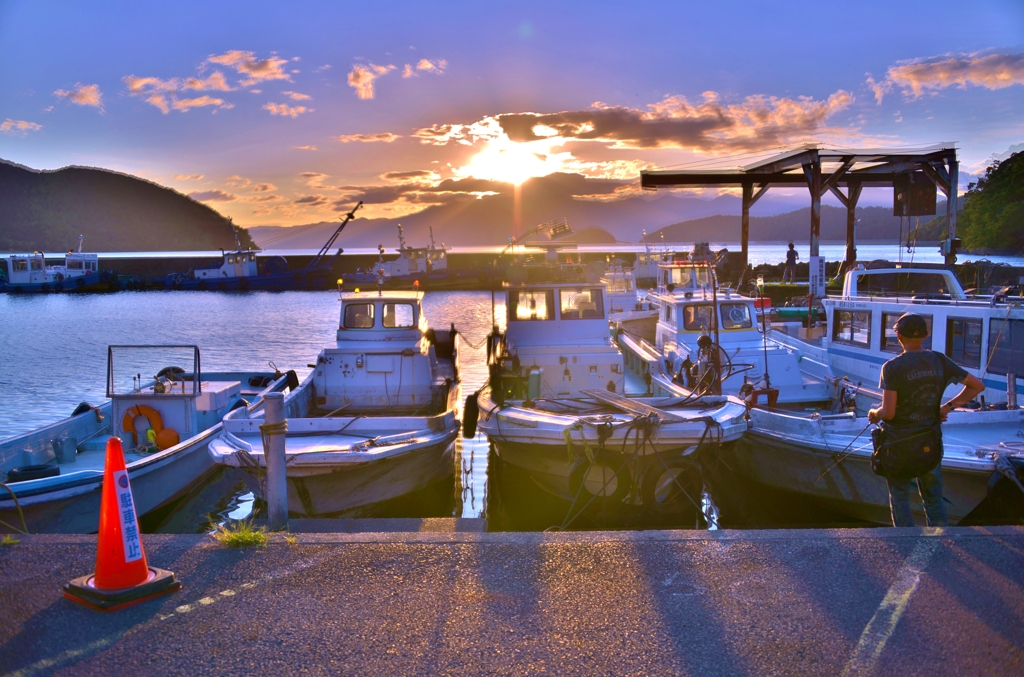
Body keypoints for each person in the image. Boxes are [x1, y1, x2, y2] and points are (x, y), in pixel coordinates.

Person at [867, 313, 984, 527]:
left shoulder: (892, 367)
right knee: (933, 497)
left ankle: (906, 542)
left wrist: (875, 413)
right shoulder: (940, 360)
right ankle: (939, 541)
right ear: (926, 335)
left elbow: (889, 413)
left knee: (900, 497)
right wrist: (947, 407)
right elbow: (977, 386)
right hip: (929, 441)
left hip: (899, 444)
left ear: (898, 335)